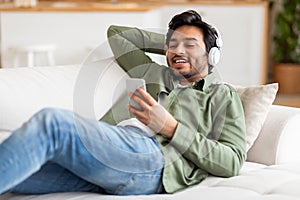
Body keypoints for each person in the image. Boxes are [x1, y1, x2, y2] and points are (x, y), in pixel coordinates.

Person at [0, 10, 246, 195]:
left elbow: (233, 160)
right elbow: (117, 34)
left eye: (190, 45)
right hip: (113, 155)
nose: (178, 50)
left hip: (154, 157)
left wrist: (171, 127)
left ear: (211, 54)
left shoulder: (221, 94)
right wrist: (173, 41)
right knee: (23, 173)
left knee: (52, 124)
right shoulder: (154, 73)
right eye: (172, 45)